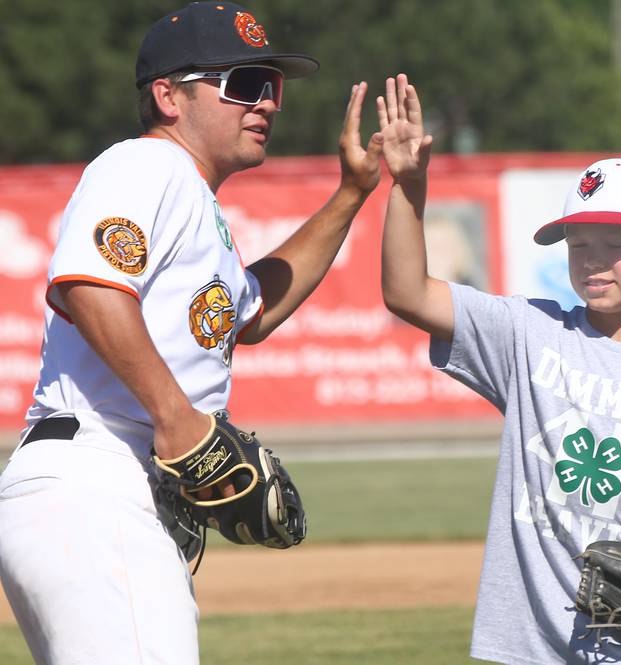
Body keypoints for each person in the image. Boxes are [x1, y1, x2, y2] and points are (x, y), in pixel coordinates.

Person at [0, 2, 383, 663]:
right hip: (100, 482)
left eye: (272, 85)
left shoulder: (193, 200)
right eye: (241, 84)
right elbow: (90, 285)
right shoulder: (146, 166)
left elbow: (253, 310)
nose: (265, 102)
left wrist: (351, 192)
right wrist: (176, 416)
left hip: (99, 496)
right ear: (167, 95)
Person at [378, 74, 621, 664]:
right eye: (578, 244)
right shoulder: (529, 333)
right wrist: (407, 187)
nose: (593, 260)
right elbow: (407, 292)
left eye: (615, 242)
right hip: (529, 641)